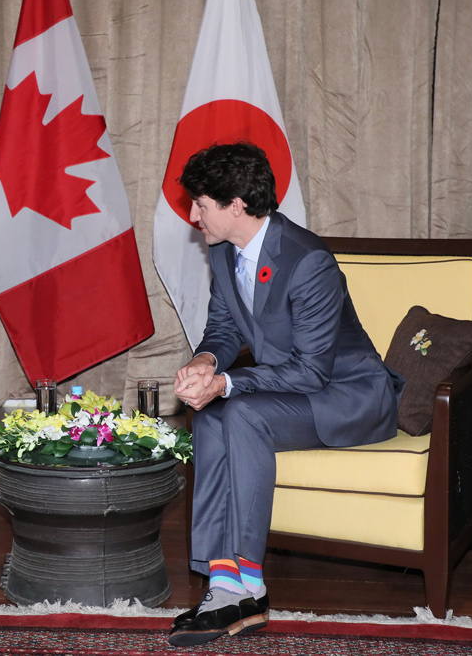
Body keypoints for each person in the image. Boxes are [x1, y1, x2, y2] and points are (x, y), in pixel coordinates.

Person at [168, 143, 403, 647]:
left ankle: (249, 584)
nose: (192, 216)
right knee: (209, 418)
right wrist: (205, 362)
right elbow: (225, 328)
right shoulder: (223, 249)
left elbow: (312, 371)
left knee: (242, 414)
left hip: (349, 395)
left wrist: (227, 383)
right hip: (292, 388)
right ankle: (223, 581)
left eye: (201, 204)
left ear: (235, 205)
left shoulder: (307, 260)